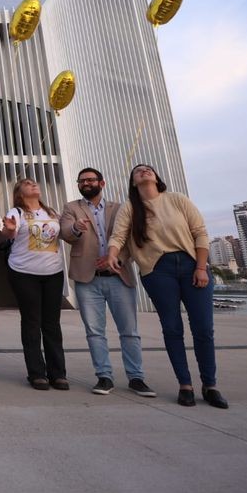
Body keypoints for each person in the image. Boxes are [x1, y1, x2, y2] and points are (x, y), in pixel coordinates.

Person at [108, 164, 227, 409]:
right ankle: (185, 385)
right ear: (132, 182)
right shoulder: (130, 208)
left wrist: (201, 267)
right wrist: (112, 254)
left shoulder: (176, 199)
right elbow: (119, 236)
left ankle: (210, 385)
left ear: (156, 178)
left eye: (148, 169)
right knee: (172, 328)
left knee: (203, 328)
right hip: (157, 271)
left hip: (191, 265)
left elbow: (200, 233)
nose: (143, 171)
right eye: (138, 171)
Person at [60, 168, 156, 397]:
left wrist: (118, 259)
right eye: (81, 180)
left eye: (90, 180)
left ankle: (136, 378)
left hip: (118, 276)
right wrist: (76, 228)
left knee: (129, 331)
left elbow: (131, 239)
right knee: (94, 331)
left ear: (101, 183)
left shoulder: (120, 208)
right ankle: (104, 376)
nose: (85, 183)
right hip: (87, 278)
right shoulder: (71, 208)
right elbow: (65, 232)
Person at [1, 177, 68, 391]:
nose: (34, 185)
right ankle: (37, 373)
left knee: (52, 323)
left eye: (35, 183)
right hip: (24, 273)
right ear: (20, 192)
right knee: (32, 322)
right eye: (28, 184)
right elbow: (7, 233)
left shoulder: (51, 212)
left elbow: (64, 234)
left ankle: (58, 373)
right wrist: (10, 230)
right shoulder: (16, 212)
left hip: (53, 272)